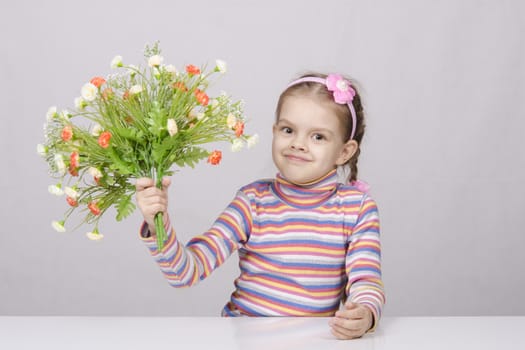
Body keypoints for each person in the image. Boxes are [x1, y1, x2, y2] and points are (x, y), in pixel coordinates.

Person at [136, 72, 385, 340]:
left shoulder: (357, 208)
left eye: (318, 137)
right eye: (288, 130)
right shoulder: (252, 201)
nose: (298, 144)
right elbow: (185, 272)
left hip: (315, 342)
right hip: (246, 339)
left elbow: (366, 280)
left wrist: (365, 314)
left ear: (344, 152)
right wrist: (157, 222)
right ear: (275, 132)